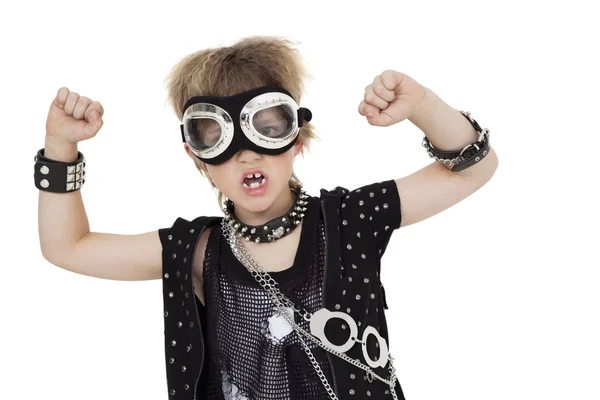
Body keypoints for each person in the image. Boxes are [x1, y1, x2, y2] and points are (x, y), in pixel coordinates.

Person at [36, 36, 498, 400]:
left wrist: (421, 104)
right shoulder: (197, 251)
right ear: (198, 157)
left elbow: (474, 168)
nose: (246, 152)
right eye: (214, 134)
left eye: (267, 125)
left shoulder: (347, 222)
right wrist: (60, 149)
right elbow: (67, 246)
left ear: (296, 137)